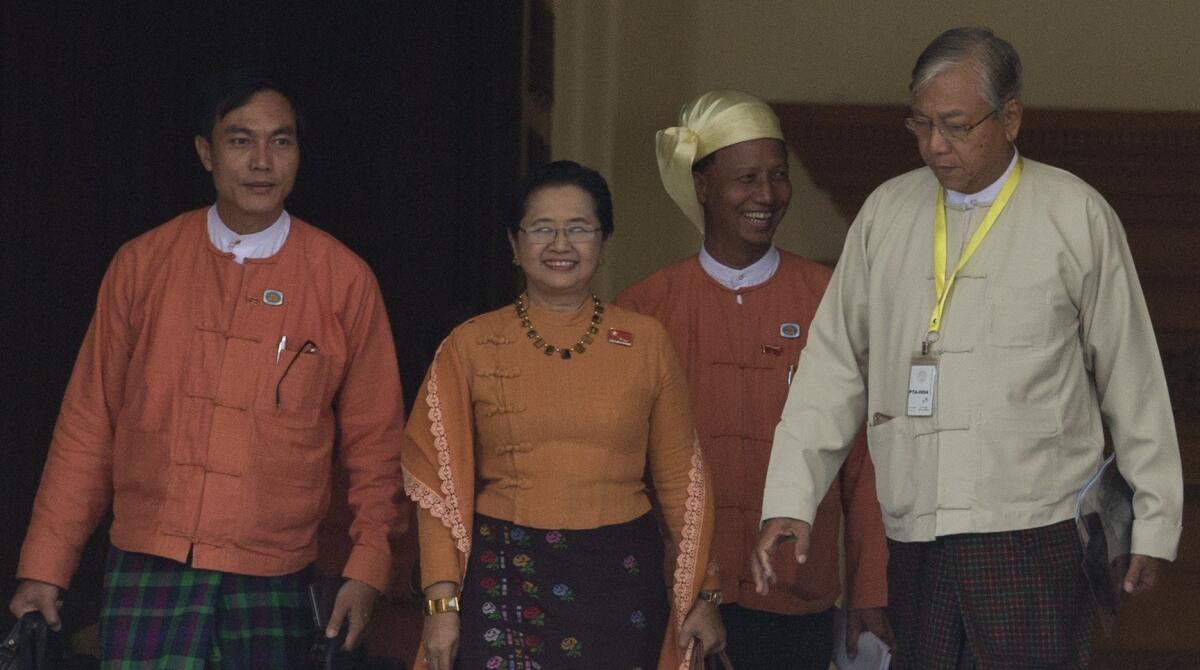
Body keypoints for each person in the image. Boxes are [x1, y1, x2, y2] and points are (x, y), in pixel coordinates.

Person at [754, 27, 1184, 668]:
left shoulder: (1073, 213)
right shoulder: (886, 212)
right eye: (921, 124)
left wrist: (1154, 518)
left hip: (1035, 531)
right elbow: (834, 366)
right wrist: (791, 496)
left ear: (1010, 117)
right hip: (918, 534)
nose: (934, 145)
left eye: (955, 125)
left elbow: (1131, 373)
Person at [9, 70, 408, 667]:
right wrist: (46, 566)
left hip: (275, 572)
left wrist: (368, 567)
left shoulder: (343, 280)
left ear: (299, 153)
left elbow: (377, 445)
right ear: (206, 152)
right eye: (240, 139)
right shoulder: (143, 264)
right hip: (151, 560)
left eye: (282, 140)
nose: (262, 161)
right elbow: (88, 425)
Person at [402, 160, 724, 670]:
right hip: (505, 575)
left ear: (603, 241)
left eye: (578, 229)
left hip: (619, 581)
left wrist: (704, 596)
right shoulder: (470, 345)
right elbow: (436, 486)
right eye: (542, 229)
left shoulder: (647, 342)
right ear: (514, 243)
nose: (560, 245)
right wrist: (441, 605)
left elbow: (682, 481)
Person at [617, 90, 891, 669]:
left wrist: (871, 589)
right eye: (746, 178)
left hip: (797, 592)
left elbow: (866, 460)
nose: (766, 196)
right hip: (680, 595)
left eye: (777, 176)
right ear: (702, 185)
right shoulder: (646, 309)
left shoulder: (829, 297)